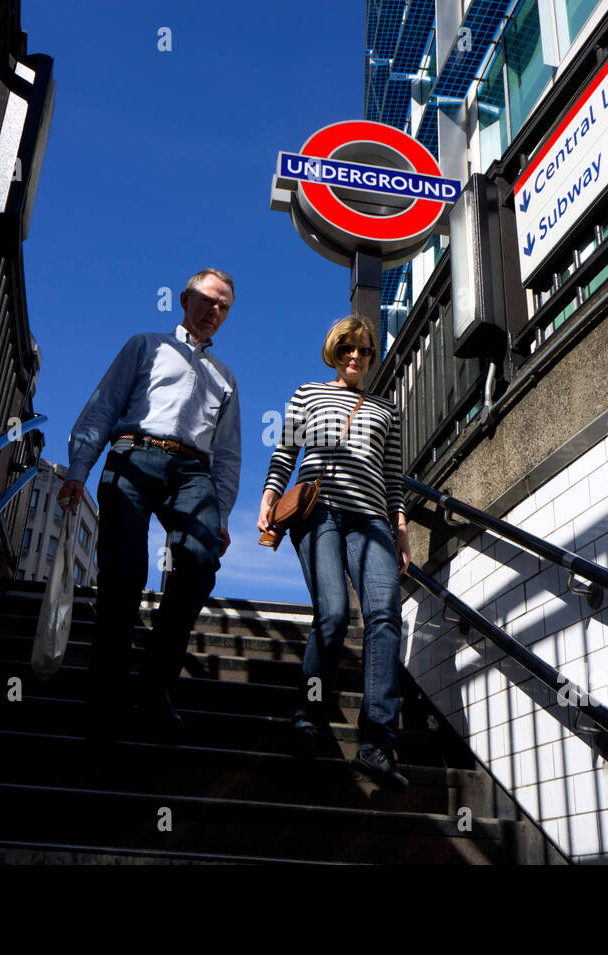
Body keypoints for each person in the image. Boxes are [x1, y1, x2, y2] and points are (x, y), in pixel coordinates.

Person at [59, 269, 241, 744]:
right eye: (207, 299)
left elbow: (228, 453)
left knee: (200, 564)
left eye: (223, 305)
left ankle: (154, 685)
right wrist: (79, 467)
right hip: (133, 453)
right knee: (123, 575)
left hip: (192, 472)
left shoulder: (226, 379)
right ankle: (105, 696)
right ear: (184, 299)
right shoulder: (145, 345)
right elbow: (103, 405)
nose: (214, 310)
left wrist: (220, 513)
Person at [258, 316, 411, 791]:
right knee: (334, 614)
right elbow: (285, 451)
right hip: (318, 512)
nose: (355, 357)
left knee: (385, 615)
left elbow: (392, 478)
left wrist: (400, 526)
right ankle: (308, 720)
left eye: (364, 351)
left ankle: (377, 744)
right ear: (334, 349)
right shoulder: (308, 393)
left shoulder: (388, 409)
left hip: (371, 520)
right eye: (348, 348)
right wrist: (269, 495)